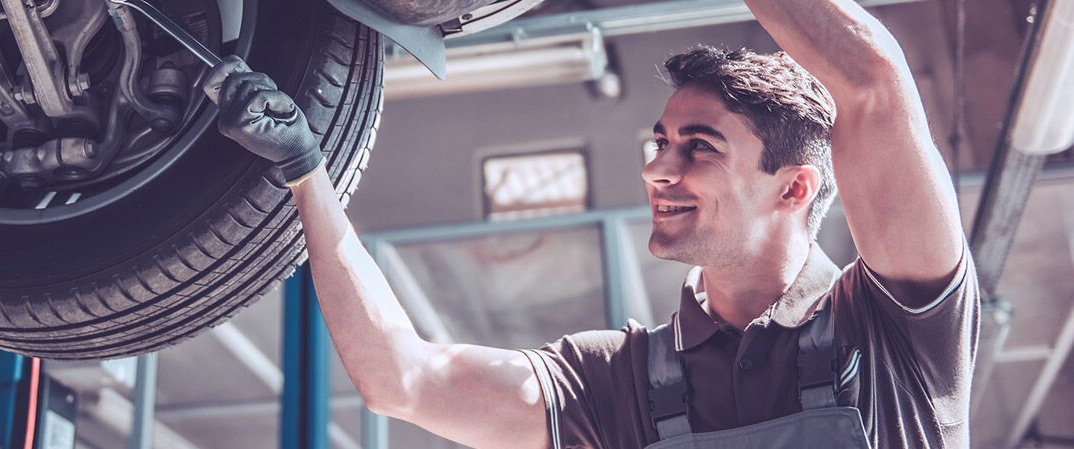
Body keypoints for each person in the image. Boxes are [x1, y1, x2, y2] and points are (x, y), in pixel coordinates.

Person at [199, 0, 978, 446]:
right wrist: (305, 168)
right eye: (659, 142)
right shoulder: (617, 380)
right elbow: (402, 379)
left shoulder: (898, 326)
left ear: (794, 186)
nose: (656, 169)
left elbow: (872, 83)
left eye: (698, 147)